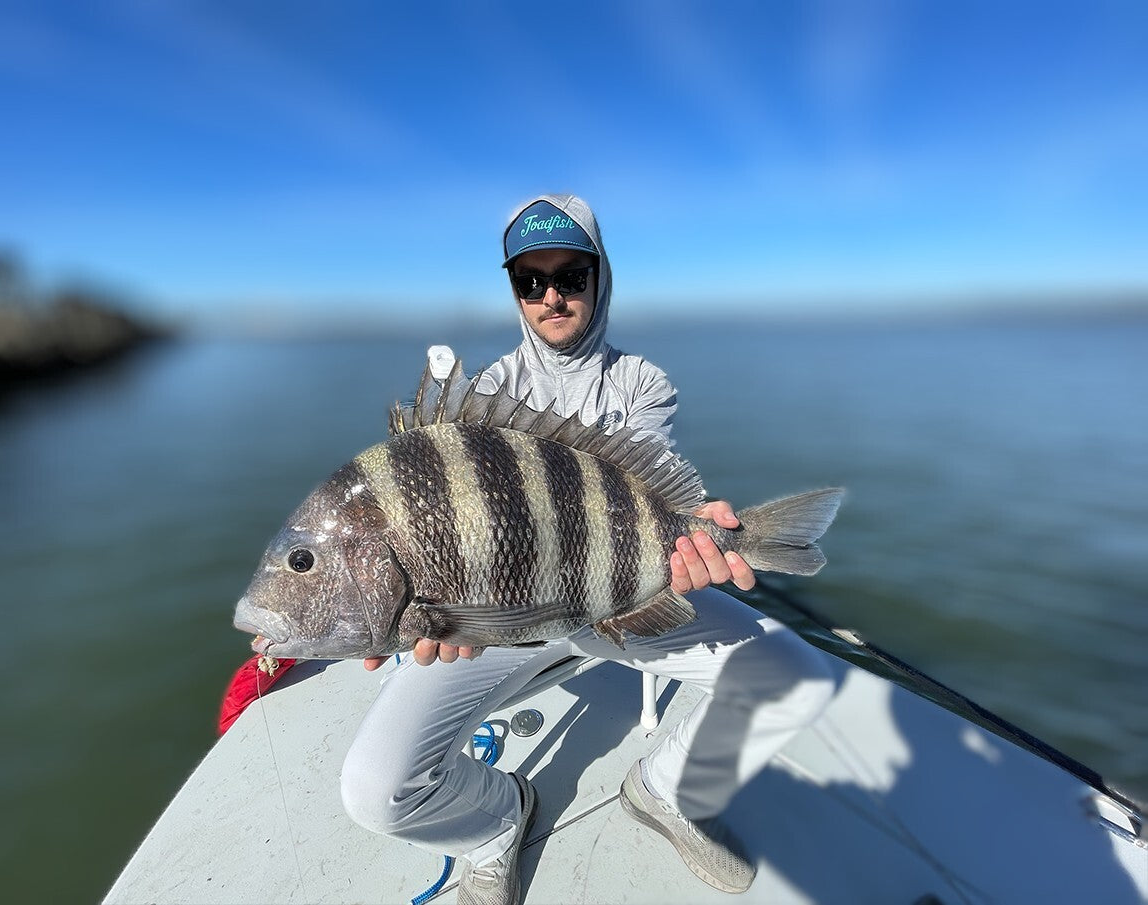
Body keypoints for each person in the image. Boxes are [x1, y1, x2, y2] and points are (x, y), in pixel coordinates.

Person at [340, 194, 835, 904]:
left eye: (572, 275)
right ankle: (493, 822)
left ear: (601, 278)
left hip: (616, 602)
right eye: (530, 280)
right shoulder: (485, 394)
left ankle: (666, 790)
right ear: (512, 287)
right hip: (497, 623)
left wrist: (696, 533)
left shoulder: (642, 383)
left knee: (800, 677)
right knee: (375, 789)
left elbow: (650, 478)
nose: (552, 296)